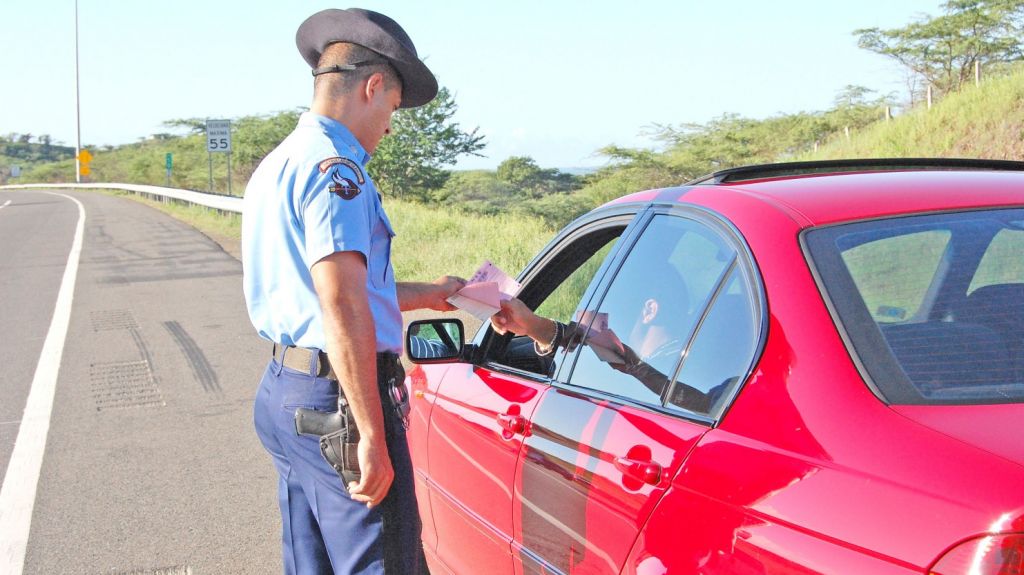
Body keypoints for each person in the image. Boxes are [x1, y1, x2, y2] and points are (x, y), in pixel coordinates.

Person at [242, 8, 464, 574]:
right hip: (341, 404)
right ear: (371, 87)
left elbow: (338, 292)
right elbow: (340, 304)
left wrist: (433, 293)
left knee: (309, 560)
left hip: (285, 391)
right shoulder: (337, 170)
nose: (389, 127)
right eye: (391, 108)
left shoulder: (278, 163)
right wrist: (370, 432)